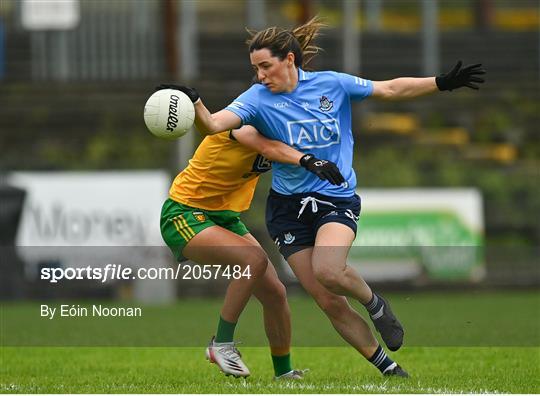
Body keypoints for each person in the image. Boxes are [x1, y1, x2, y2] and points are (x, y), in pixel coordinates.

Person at [166, 16, 485, 378]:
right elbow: (218, 126)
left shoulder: (332, 85)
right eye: (255, 69)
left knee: (328, 271)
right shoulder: (255, 101)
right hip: (285, 209)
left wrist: (440, 83)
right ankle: (389, 369)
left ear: (290, 59)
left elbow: (390, 90)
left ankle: (374, 304)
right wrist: (194, 102)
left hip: (334, 199)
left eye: (266, 66)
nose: (260, 76)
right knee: (326, 298)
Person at [159, 116, 345, 379]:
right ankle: (221, 344)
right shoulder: (243, 122)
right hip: (185, 214)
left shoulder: (283, 126)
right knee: (253, 260)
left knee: (275, 294)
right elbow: (259, 145)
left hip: (225, 217)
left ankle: (284, 372)